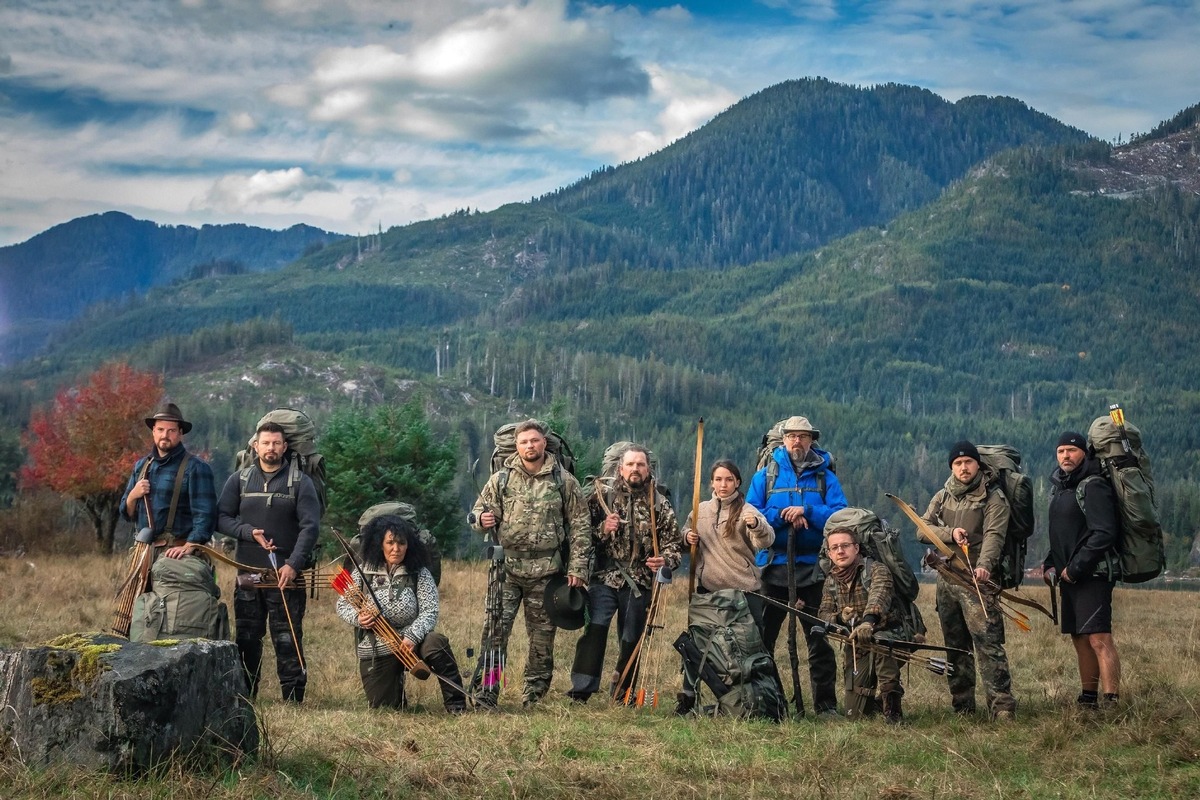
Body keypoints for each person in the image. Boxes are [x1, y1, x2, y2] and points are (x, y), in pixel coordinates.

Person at [468, 419, 593, 708]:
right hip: (507, 570)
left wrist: (578, 568)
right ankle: (487, 691)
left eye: (534, 440)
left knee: (541, 638)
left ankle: (533, 695)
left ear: (544, 443)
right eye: (524, 442)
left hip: (547, 572)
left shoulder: (563, 480)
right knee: (495, 632)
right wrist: (481, 520)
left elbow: (581, 526)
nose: (529, 446)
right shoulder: (501, 479)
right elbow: (477, 514)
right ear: (517, 445)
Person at [746, 415, 846, 716]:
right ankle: (766, 704)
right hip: (773, 567)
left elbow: (841, 515)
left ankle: (825, 706)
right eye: (791, 436)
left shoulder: (825, 476)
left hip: (813, 569)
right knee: (764, 641)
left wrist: (807, 510)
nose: (797, 442)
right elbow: (751, 512)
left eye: (803, 436)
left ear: (811, 440)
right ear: (784, 439)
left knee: (819, 641)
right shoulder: (766, 475)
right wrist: (785, 515)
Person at [568, 443, 683, 703]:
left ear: (648, 469)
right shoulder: (601, 497)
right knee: (594, 630)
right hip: (604, 577)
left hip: (640, 581)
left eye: (640, 465)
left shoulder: (659, 502)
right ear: (620, 469)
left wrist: (665, 560)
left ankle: (623, 693)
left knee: (631, 636)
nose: (635, 469)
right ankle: (581, 690)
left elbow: (674, 544)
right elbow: (582, 537)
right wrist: (602, 529)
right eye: (630, 464)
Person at [217, 421, 321, 703]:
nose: (271, 448)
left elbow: (310, 527)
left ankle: (293, 698)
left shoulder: (301, 482)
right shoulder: (238, 480)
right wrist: (247, 532)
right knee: (247, 639)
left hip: (287, 576)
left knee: (287, 638)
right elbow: (222, 517)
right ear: (255, 446)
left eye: (276, 443)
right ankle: (246, 696)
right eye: (266, 443)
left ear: (285, 447)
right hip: (247, 575)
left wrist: (294, 564)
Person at [921, 440, 1017, 720]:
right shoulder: (943, 496)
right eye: (958, 463)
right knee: (955, 645)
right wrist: (950, 533)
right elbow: (922, 529)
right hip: (947, 579)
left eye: (968, 462)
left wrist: (984, 566)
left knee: (988, 644)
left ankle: (1001, 707)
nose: (963, 468)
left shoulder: (994, 497)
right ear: (952, 467)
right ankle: (962, 706)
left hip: (978, 581)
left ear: (978, 465)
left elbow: (994, 537)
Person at [336, 514, 467, 712]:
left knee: (436, 643)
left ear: (409, 545)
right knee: (384, 709)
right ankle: (396, 692)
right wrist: (358, 618)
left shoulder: (419, 572)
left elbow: (430, 611)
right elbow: (342, 604)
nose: (396, 549)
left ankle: (456, 705)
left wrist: (412, 636)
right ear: (380, 544)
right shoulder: (364, 571)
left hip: (413, 644)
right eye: (390, 542)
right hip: (378, 646)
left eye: (401, 543)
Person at [676, 459, 772, 713]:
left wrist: (757, 526)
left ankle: (759, 700)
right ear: (711, 483)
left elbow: (766, 540)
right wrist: (687, 537)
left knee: (750, 649)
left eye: (729, 479)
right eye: (718, 479)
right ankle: (687, 698)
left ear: (738, 482)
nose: (723, 484)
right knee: (697, 646)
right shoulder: (700, 510)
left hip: (744, 593)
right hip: (709, 592)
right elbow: (683, 541)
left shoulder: (748, 510)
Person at [1044, 431, 1121, 708]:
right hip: (1069, 577)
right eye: (1061, 451)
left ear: (1084, 454)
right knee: (1079, 638)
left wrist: (1076, 568)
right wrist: (1050, 562)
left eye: (1072, 451)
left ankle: (1111, 700)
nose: (1065, 456)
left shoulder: (1093, 485)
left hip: (1094, 575)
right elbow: (1063, 534)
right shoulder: (1061, 487)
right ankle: (1088, 698)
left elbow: (1104, 533)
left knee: (1099, 638)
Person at [816, 525, 906, 723]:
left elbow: (879, 597)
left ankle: (893, 711)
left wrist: (868, 623)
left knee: (881, 644)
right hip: (857, 643)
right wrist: (840, 618)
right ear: (829, 553)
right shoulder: (831, 580)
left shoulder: (876, 569)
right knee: (855, 715)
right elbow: (823, 613)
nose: (840, 551)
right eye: (835, 547)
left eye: (845, 546)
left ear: (856, 548)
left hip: (891, 634)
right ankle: (878, 702)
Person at [119, 402, 217, 559]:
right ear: (153, 432)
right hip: (143, 553)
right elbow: (126, 514)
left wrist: (189, 546)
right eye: (160, 430)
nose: (165, 435)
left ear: (180, 433)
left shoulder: (196, 468)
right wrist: (133, 495)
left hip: (176, 556)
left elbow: (206, 515)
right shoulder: (141, 466)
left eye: (171, 430)